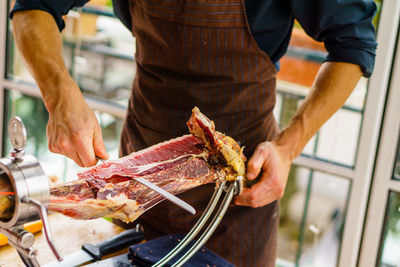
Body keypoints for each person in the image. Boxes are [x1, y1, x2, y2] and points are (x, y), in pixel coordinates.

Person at [10, 0, 377, 266]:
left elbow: (353, 42)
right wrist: (60, 94)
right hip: (138, 176)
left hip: (240, 186)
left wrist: (289, 145)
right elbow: (34, 7)